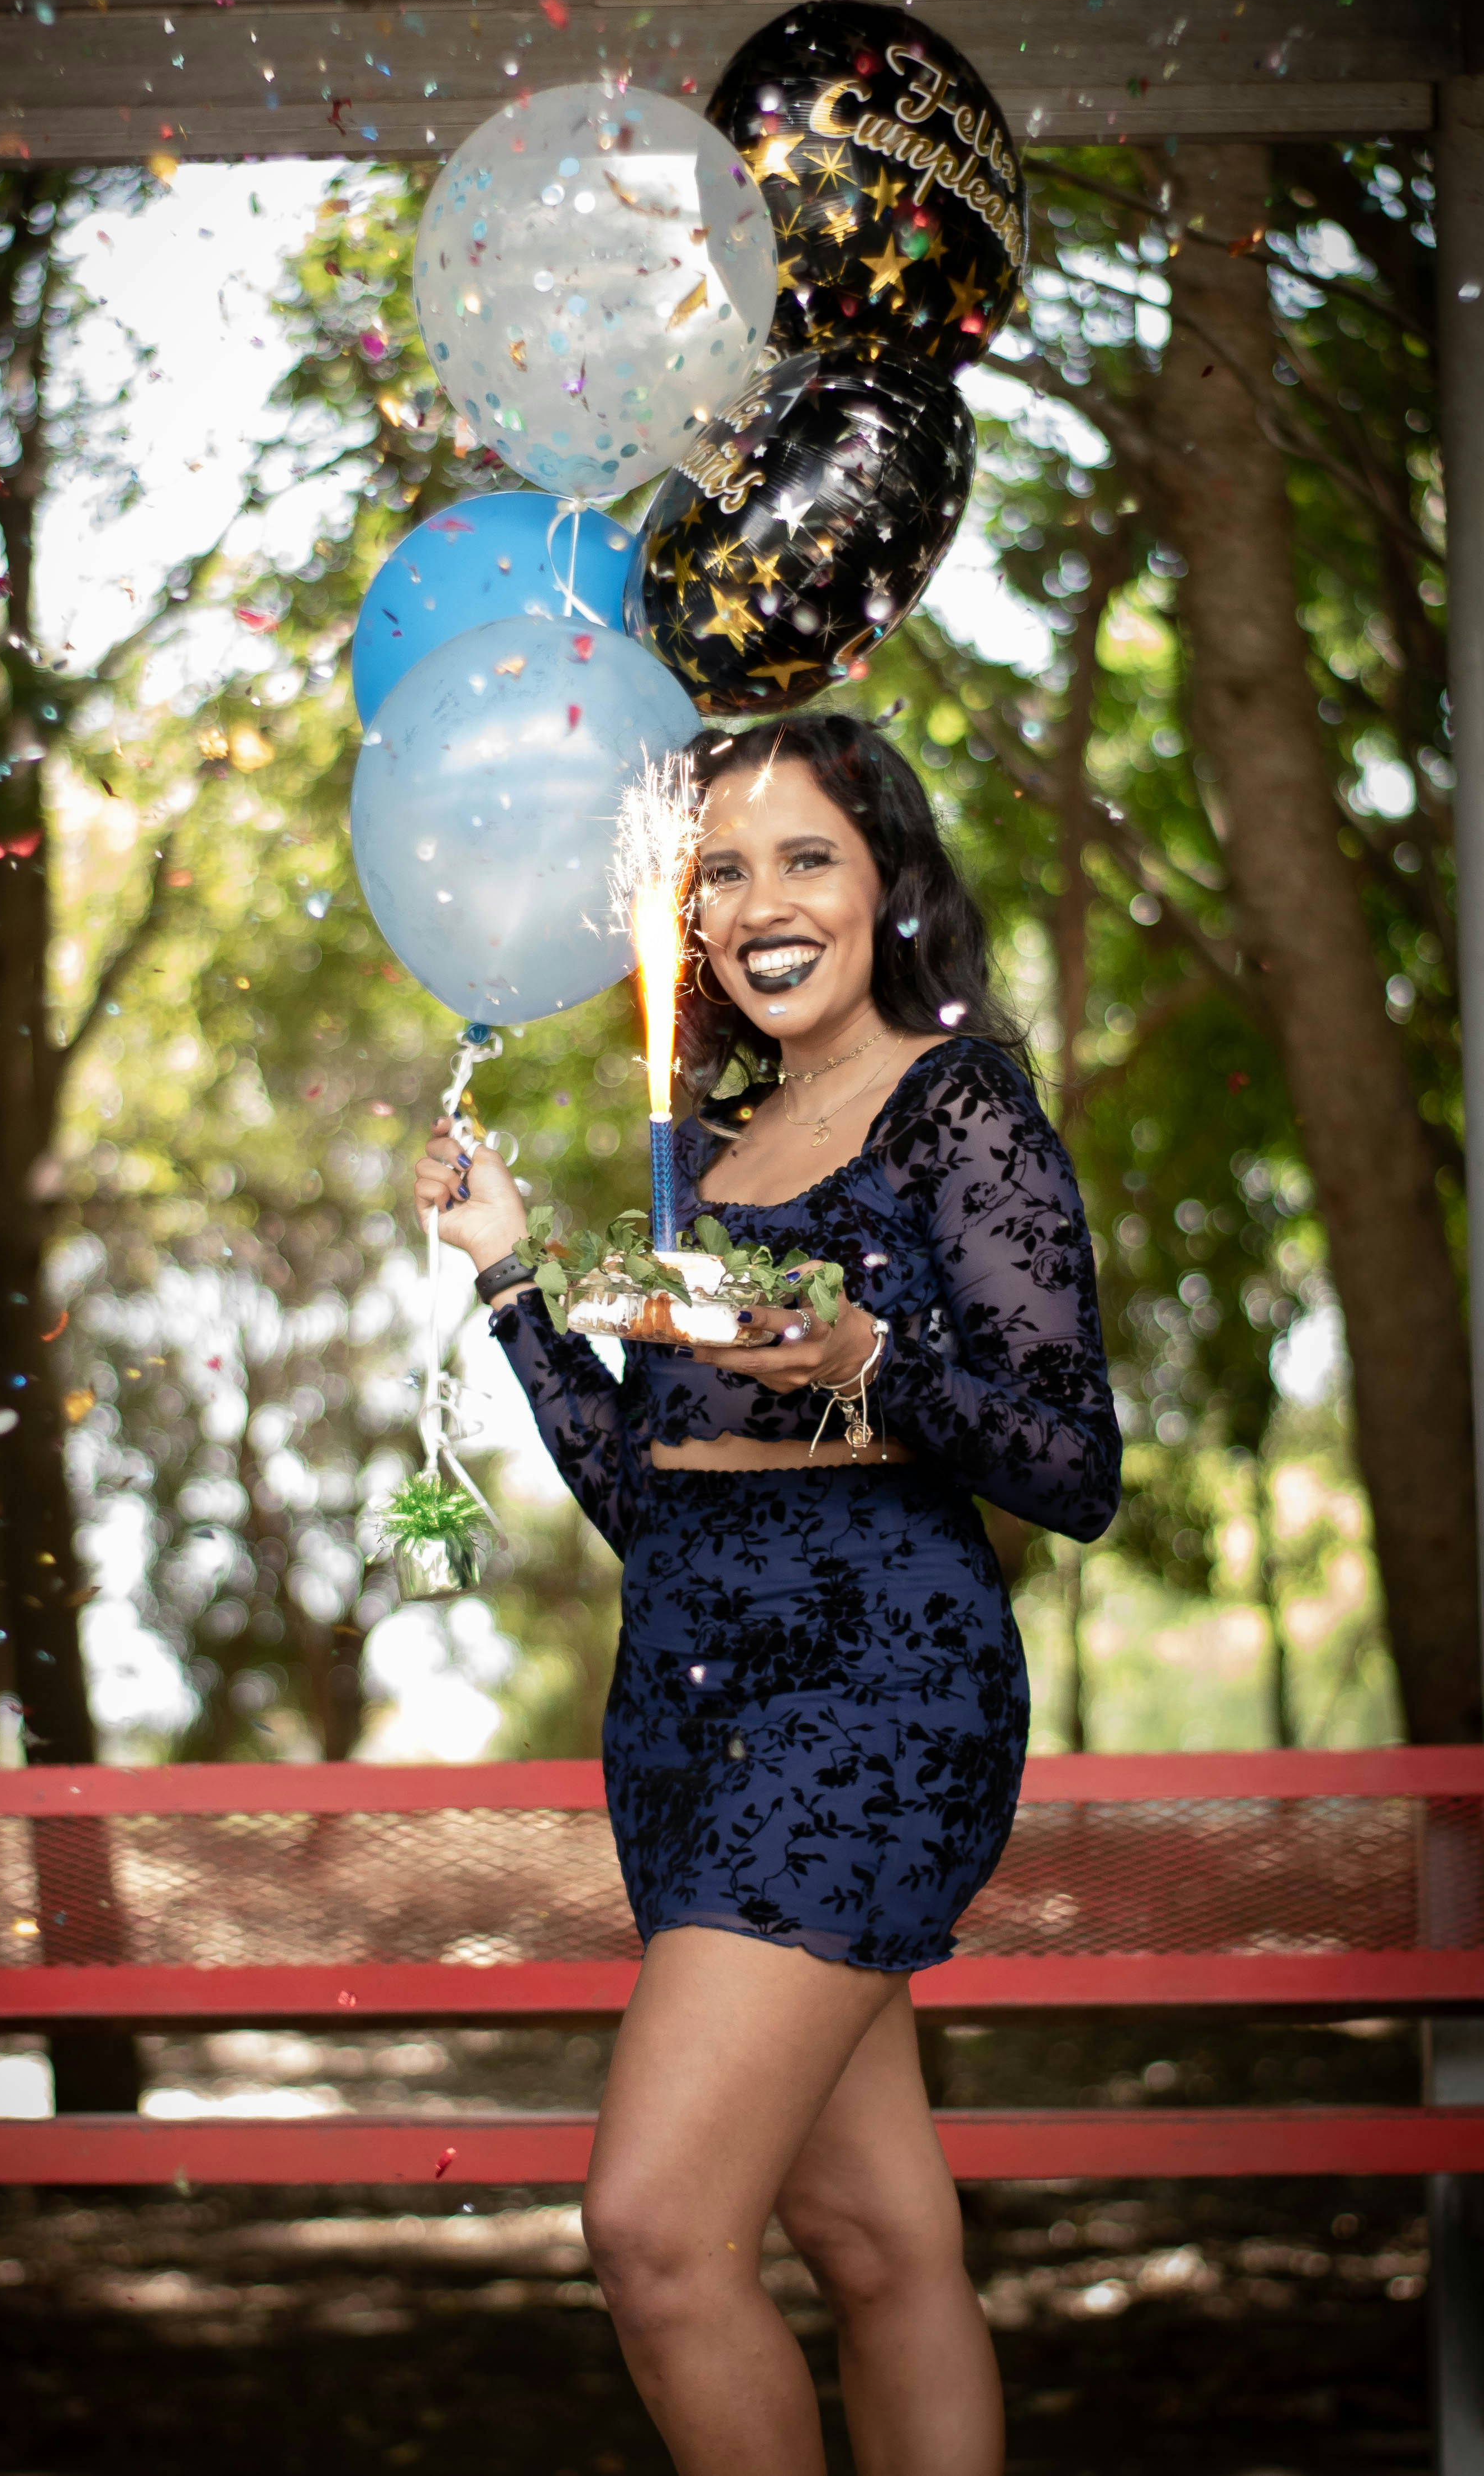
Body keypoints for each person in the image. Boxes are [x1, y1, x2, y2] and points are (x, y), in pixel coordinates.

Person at [414, 714, 1120, 2476]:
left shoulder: (958, 1104)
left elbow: (1074, 1462)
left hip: (872, 1696)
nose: (758, 899)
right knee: (880, 2244)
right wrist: (513, 1278)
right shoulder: (708, 1154)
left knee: (653, 2236)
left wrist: (872, 1356)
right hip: (683, 1717)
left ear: (887, 883)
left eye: (806, 854)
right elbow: (647, 1501)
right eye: (718, 868)